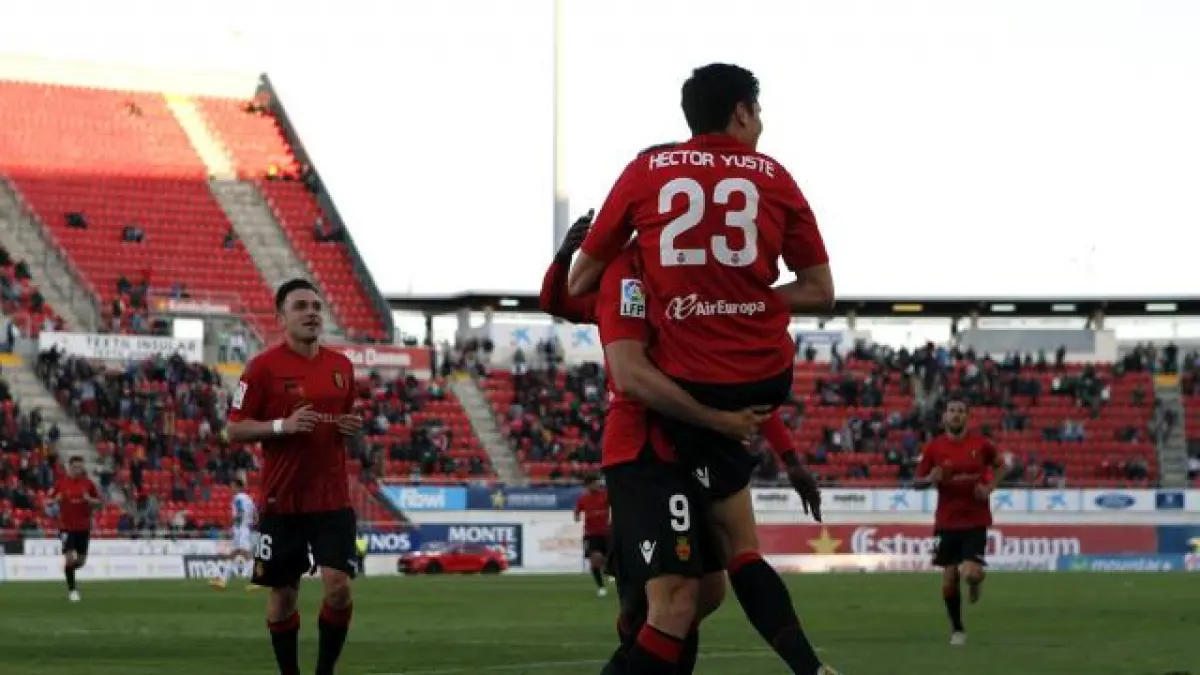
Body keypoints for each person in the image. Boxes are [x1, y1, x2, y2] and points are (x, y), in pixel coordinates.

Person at [544, 210, 830, 674]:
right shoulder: (628, 274)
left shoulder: (699, 279)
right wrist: (564, 258)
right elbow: (566, 305)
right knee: (673, 601)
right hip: (648, 446)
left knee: (703, 595)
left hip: (701, 443)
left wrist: (790, 458)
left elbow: (736, 385)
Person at [227, 278, 362, 675]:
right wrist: (282, 426)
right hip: (281, 502)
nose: (311, 313)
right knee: (284, 597)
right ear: (281, 318)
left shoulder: (342, 367)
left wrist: (347, 427)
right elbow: (234, 429)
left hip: (332, 499)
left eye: (316, 306)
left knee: (339, 587)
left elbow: (340, 418)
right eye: (301, 306)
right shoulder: (262, 368)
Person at [914, 395, 1004, 646]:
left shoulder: (981, 445)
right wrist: (929, 479)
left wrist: (989, 488)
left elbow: (1001, 466)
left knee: (969, 572)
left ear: (967, 417)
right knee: (948, 581)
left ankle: (975, 581)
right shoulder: (934, 448)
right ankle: (957, 629)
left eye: (961, 411)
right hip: (946, 522)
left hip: (975, 520)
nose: (956, 414)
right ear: (945, 416)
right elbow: (916, 482)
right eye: (952, 410)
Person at [48, 455, 101, 603]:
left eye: (81, 467)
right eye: (76, 467)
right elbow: (48, 502)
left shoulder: (88, 484)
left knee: (81, 561)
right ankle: (72, 590)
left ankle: (68, 570)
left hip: (83, 526)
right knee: (70, 557)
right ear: (69, 467)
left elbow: (99, 502)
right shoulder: (61, 483)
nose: (79, 470)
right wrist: (56, 499)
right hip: (66, 527)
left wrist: (89, 500)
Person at [210, 477, 257, 591]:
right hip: (244, 528)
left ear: (238, 486)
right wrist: (250, 524)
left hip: (240, 529)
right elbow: (255, 515)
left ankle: (257, 580)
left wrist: (234, 525)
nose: (231, 489)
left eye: (232, 486)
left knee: (245, 553)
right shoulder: (249, 498)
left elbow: (240, 512)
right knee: (233, 554)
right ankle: (222, 580)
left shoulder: (238, 498)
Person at [574, 474, 612, 597]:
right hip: (591, 535)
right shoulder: (583, 499)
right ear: (588, 485)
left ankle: (609, 569)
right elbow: (577, 513)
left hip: (606, 533)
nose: (598, 485)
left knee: (608, 559)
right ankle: (601, 587)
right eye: (595, 483)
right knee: (595, 559)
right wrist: (577, 516)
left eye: (598, 482)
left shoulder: (606, 495)